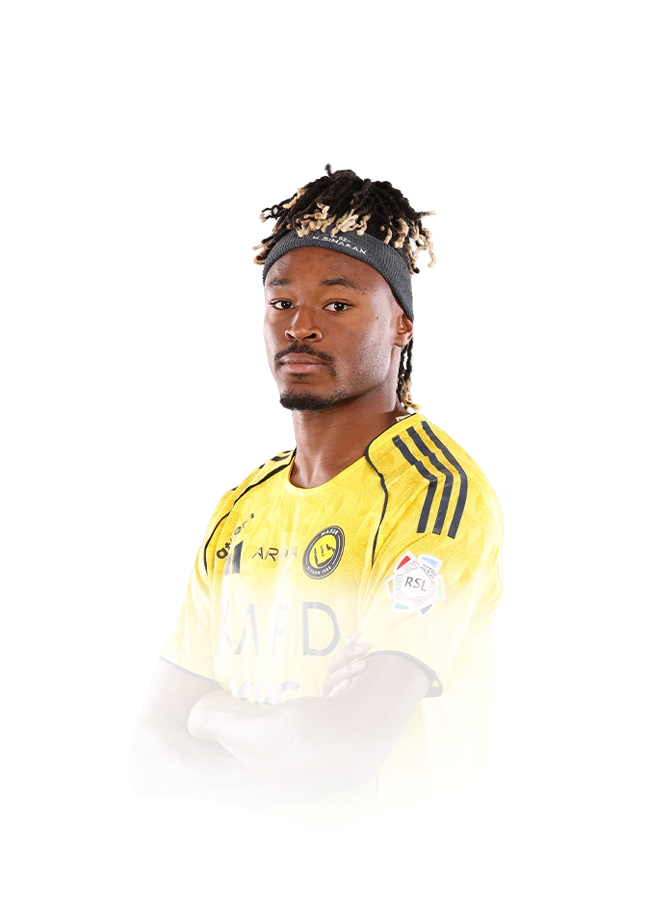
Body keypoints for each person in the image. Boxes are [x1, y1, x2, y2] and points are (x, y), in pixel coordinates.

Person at [127, 165, 504, 833]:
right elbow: (148, 755)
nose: (300, 326)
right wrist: (290, 752)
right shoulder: (243, 505)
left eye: (337, 305)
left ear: (401, 326)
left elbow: (339, 754)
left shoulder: (433, 494)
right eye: (281, 302)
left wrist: (213, 714)